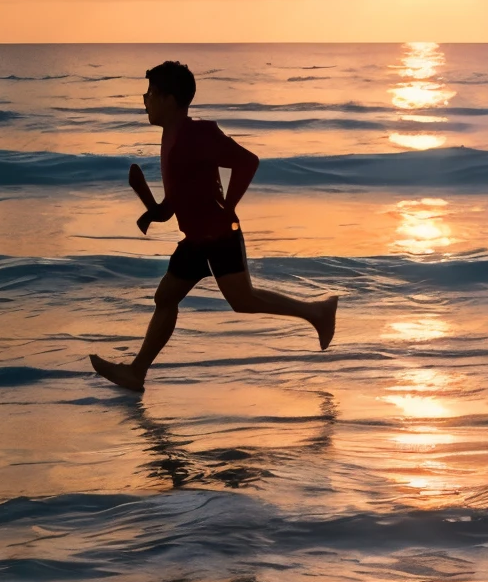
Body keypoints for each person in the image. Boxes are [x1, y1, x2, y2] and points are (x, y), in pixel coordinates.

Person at [89, 60, 338, 392]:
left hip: (218, 236)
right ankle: (136, 372)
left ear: (169, 99)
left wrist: (229, 205)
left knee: (241, 299)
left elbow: (247, 161)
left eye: (150, 93)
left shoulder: (197, 134)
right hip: (197, 238)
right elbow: (176, 201)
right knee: (166, 297)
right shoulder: (171, 136)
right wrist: (151, 210)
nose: (144, 99)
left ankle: (318, 313)